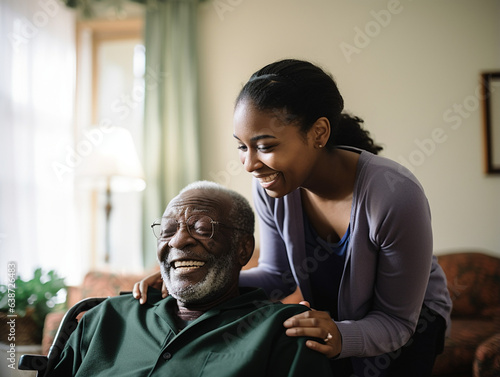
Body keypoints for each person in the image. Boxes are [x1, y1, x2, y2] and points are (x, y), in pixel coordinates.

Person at [134, 59, 453, 377]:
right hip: (341, 318)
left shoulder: (394, 196)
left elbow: (396, 322)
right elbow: (277, 276)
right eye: (243, 147)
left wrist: (342, 335)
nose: (249, 164)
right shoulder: (274, 187)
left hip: (411, 321)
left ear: (318, 132)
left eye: (265, 146)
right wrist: (191, 281)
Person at [49, 181, 332, 377]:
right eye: (168, 230)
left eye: (201, 228)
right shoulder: (104, 318)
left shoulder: (286, 331)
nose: (179, 240)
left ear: (243, 249)